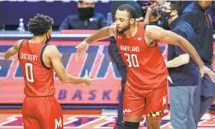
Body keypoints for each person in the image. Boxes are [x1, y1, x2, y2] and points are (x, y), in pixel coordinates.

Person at [75, 4, 215, 129]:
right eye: (116, 19)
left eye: (121, 20)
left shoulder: (150, 32)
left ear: (132, 21)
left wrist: (201, 65)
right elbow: (104, 31)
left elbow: (181, 41)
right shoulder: (116, 30)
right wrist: (86, 42)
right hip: (134, 86)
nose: (117, 23)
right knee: (129, 125)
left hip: (155, 86)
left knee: (153, 126)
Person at [4, 14, 93, 129]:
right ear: (48, 30)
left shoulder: (20, 44)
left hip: (28, 103)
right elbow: (64, 78)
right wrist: (83, 80)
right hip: (46, 103)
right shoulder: (50, 50)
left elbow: (7, 56)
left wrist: (25, 56)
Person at [160, 1, 197, 129]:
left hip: (181, 79)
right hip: (190, 79)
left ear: (174, 12)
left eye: (165, 8)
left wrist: (163, 64)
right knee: (188, 119)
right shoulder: (185, 25)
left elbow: (184, 58)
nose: (161, 10)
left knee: (179, 121)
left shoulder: (179, 30)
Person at [180, 1, 215, 126]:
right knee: (194, 104)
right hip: (194, 64)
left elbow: (207, 36)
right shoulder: (190, 13)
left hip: (206, 62)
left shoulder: (207, 11)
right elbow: (182, 38)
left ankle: (189, 123)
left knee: (210, 93)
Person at [110, 1, 143, 129]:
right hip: (122, 46)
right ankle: (123, 122)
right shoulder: (130, 4)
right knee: (130, 85)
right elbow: (139, 24)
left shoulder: (121, 3)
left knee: (129, 84)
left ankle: (126, 120)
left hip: (118, 46)